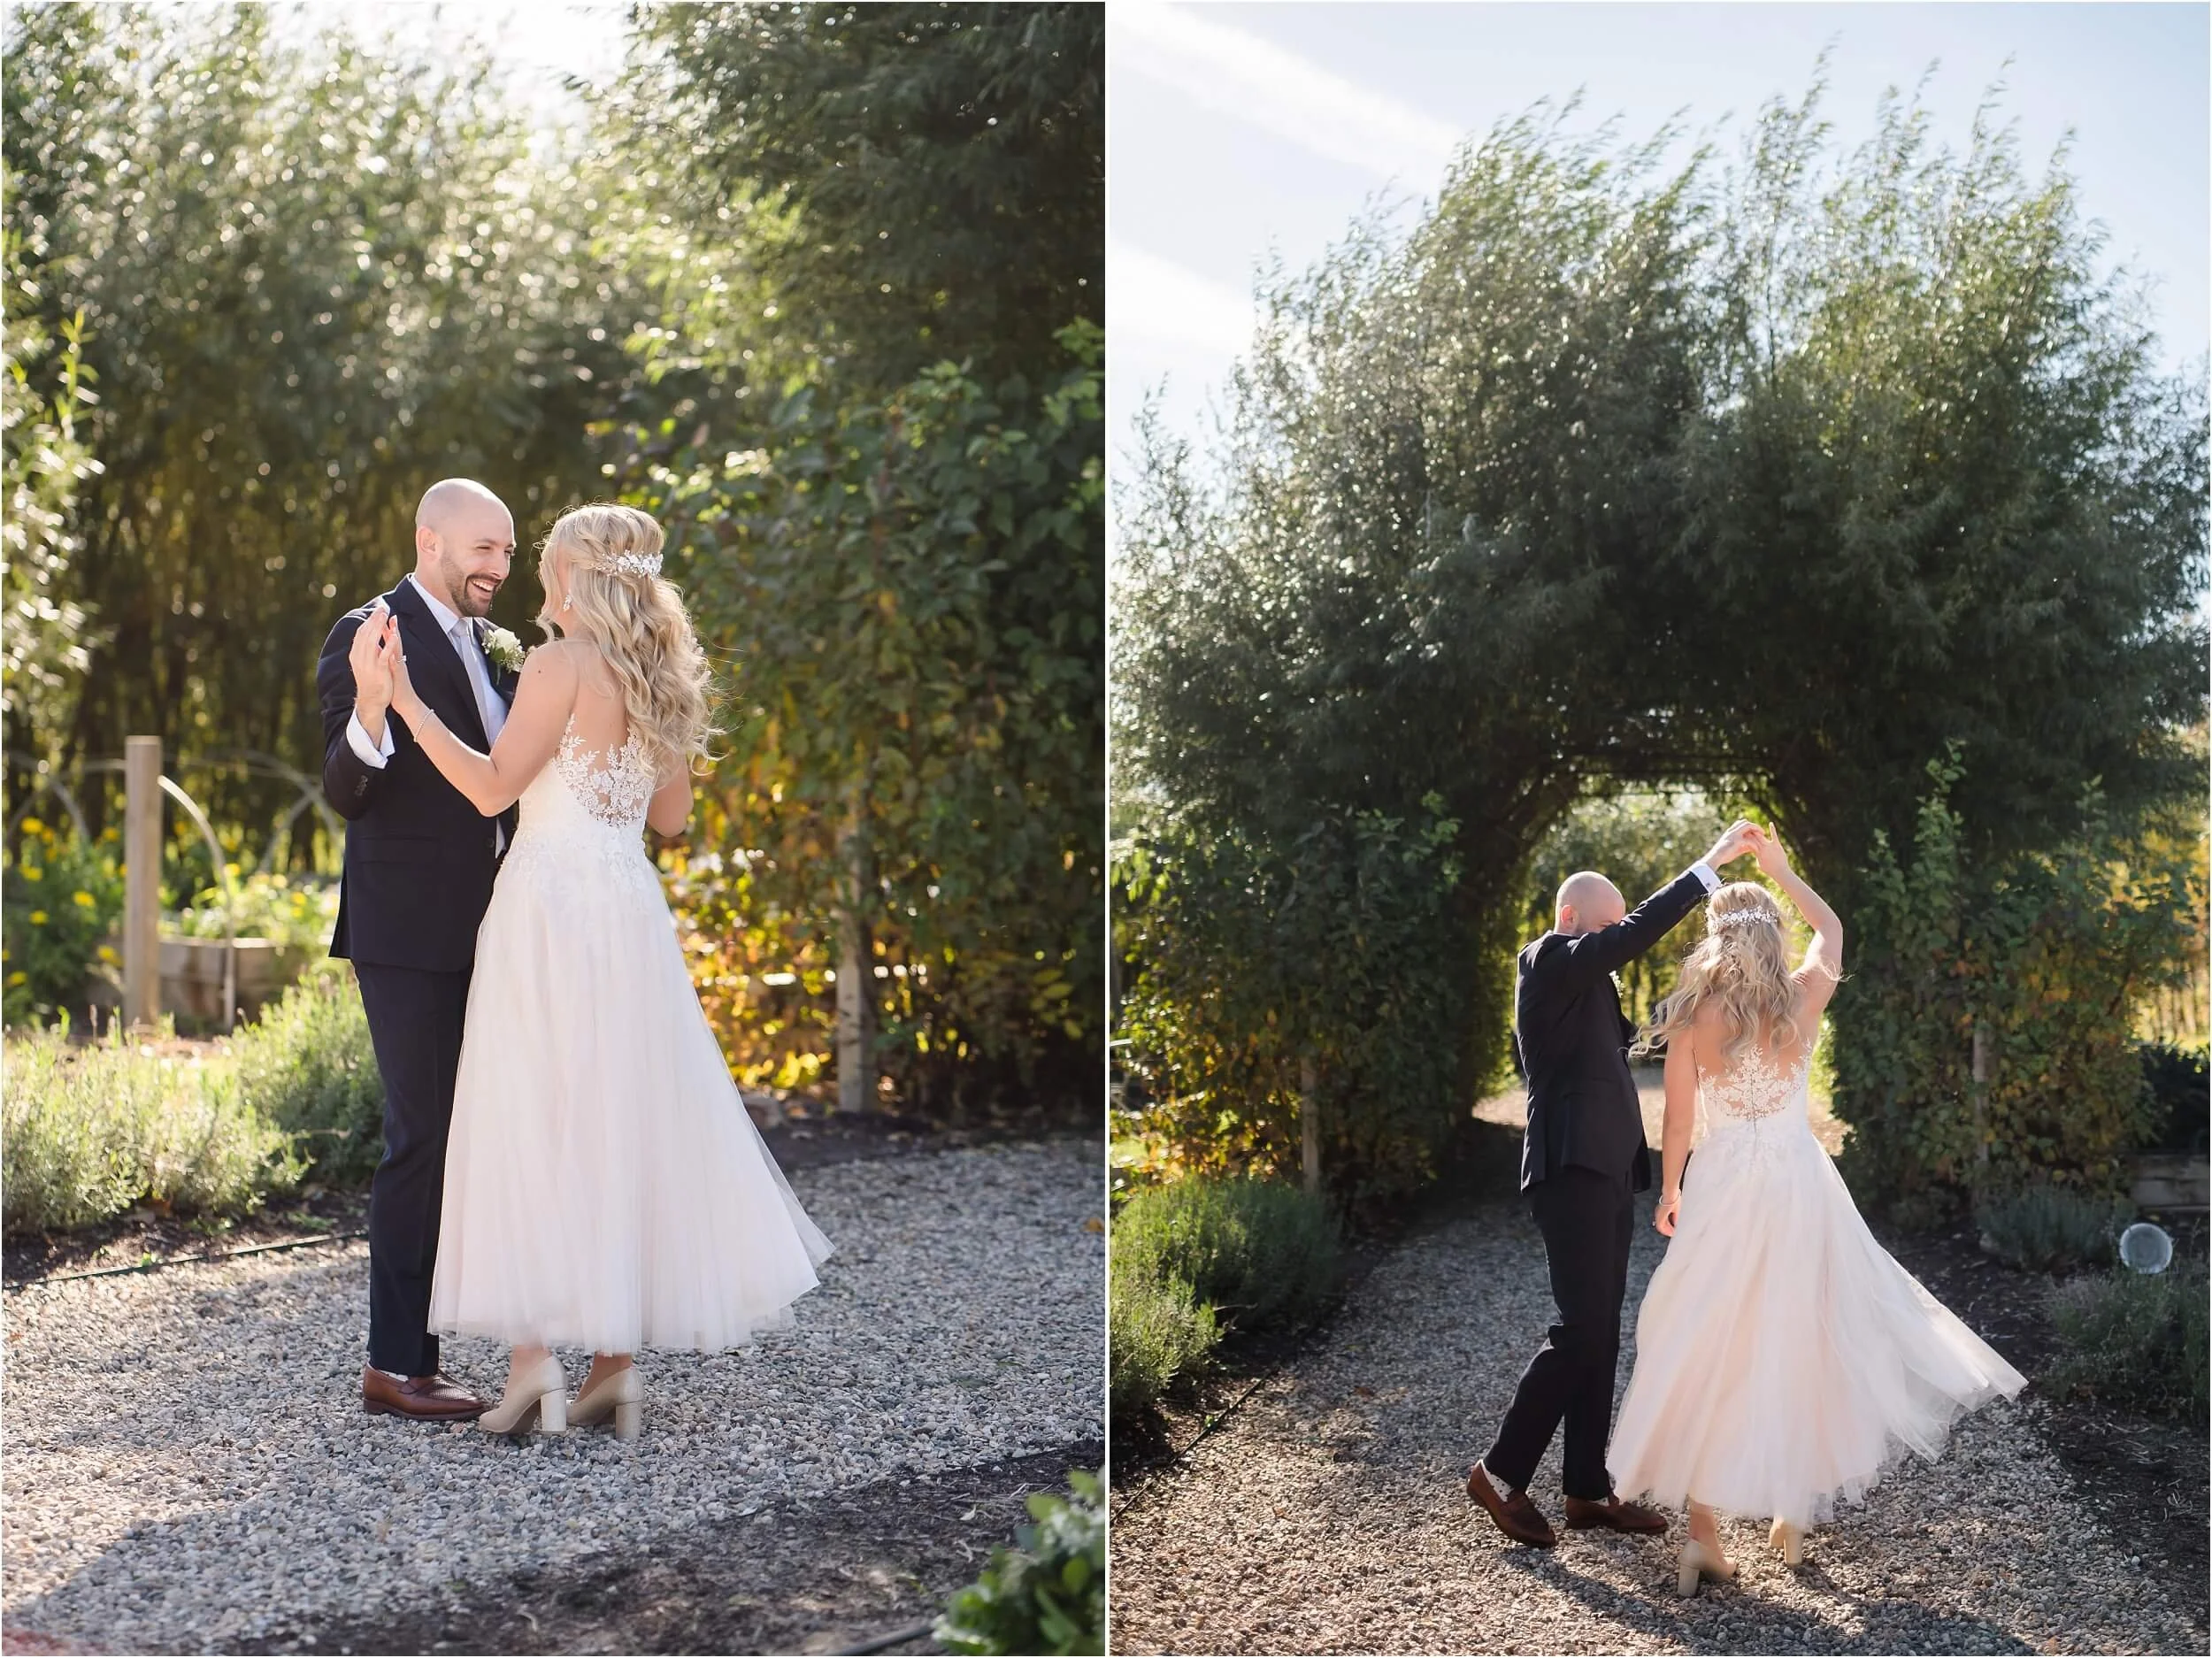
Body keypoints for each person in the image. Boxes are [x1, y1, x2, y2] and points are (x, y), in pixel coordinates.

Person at [356, 499, 832, 1438]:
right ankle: (612, 1369)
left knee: (535, 1115)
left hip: (547, 908)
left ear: (575, 576)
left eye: (547, 559)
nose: (534, 571)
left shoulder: (559, 663)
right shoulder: (659, 674)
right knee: (618, 1119)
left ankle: (532, 1364)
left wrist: (405, 702)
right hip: (627, 910)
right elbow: (670, 820)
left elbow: (491, 787)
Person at [1606, 826, 2024, 1596]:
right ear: (1773, 935)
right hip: (1798, 1183)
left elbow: (1677, 1124)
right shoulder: (1804, 996)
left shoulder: (1695, 1016)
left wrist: (1670, 1193)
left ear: (1715, 939)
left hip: (1724, 1186)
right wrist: (1784, 869)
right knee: (1801, 1335)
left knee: (1706, 1342)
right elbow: (1831, 928)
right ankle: (1791, 1514)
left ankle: (1702, 1537)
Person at [1465, 819, 1764, 1547]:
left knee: (1600, 1333)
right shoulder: (1547, 959)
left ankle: (1587, 1490)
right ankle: (1500, 1472)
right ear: (1571, 917)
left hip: (1602, 1172)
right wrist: (1707, 869)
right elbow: (1626, 938)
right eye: (1605, 927)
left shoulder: (1585, 988)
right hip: (1569, 1168)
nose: (1614, 943)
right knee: (1579, 1330)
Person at [319, 478, 524, 1423]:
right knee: (424, 1137)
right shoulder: (367, 632)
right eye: (484, 547)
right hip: (408, 931)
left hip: (508, 924)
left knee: (502, 1132)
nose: (499, 566)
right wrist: (373, 707)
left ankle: (531, 1343)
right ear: (428, 540)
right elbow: (345, 791)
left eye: (508, 551)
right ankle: (397, 1364)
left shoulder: (497, 644)